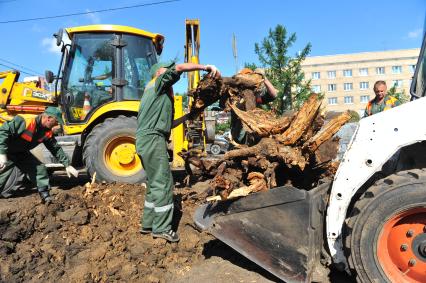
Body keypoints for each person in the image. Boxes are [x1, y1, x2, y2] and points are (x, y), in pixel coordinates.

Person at [136, 61, 220, 242]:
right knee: (164, 184)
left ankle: (148, 224)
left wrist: (187, 116)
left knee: (153, 184)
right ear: (160, 72)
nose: (175, 77)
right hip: (153, 139)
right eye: (169, 71)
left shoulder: (151, 93)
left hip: (145, 139)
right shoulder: (158, 83)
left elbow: (168, 125)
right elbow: (179, 68)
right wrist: (205, 67)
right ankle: (162, 228)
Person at [0, 107, 79, 202]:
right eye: (56, 122)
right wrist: (2, 153)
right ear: (49, 118)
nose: (56, 125)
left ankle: (45, 196)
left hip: (20, 153)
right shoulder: (26, 121)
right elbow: (3, 132)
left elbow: (55, 148)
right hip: (5, 149)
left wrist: (67, 165)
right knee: (3, 174)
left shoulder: (46, 131)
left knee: (39, 169)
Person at [230, 68, 278, 145]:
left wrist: (263, 78)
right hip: (239, 138)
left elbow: (273, 95)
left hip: (255, 137)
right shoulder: (234, 95)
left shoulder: (256, 96)